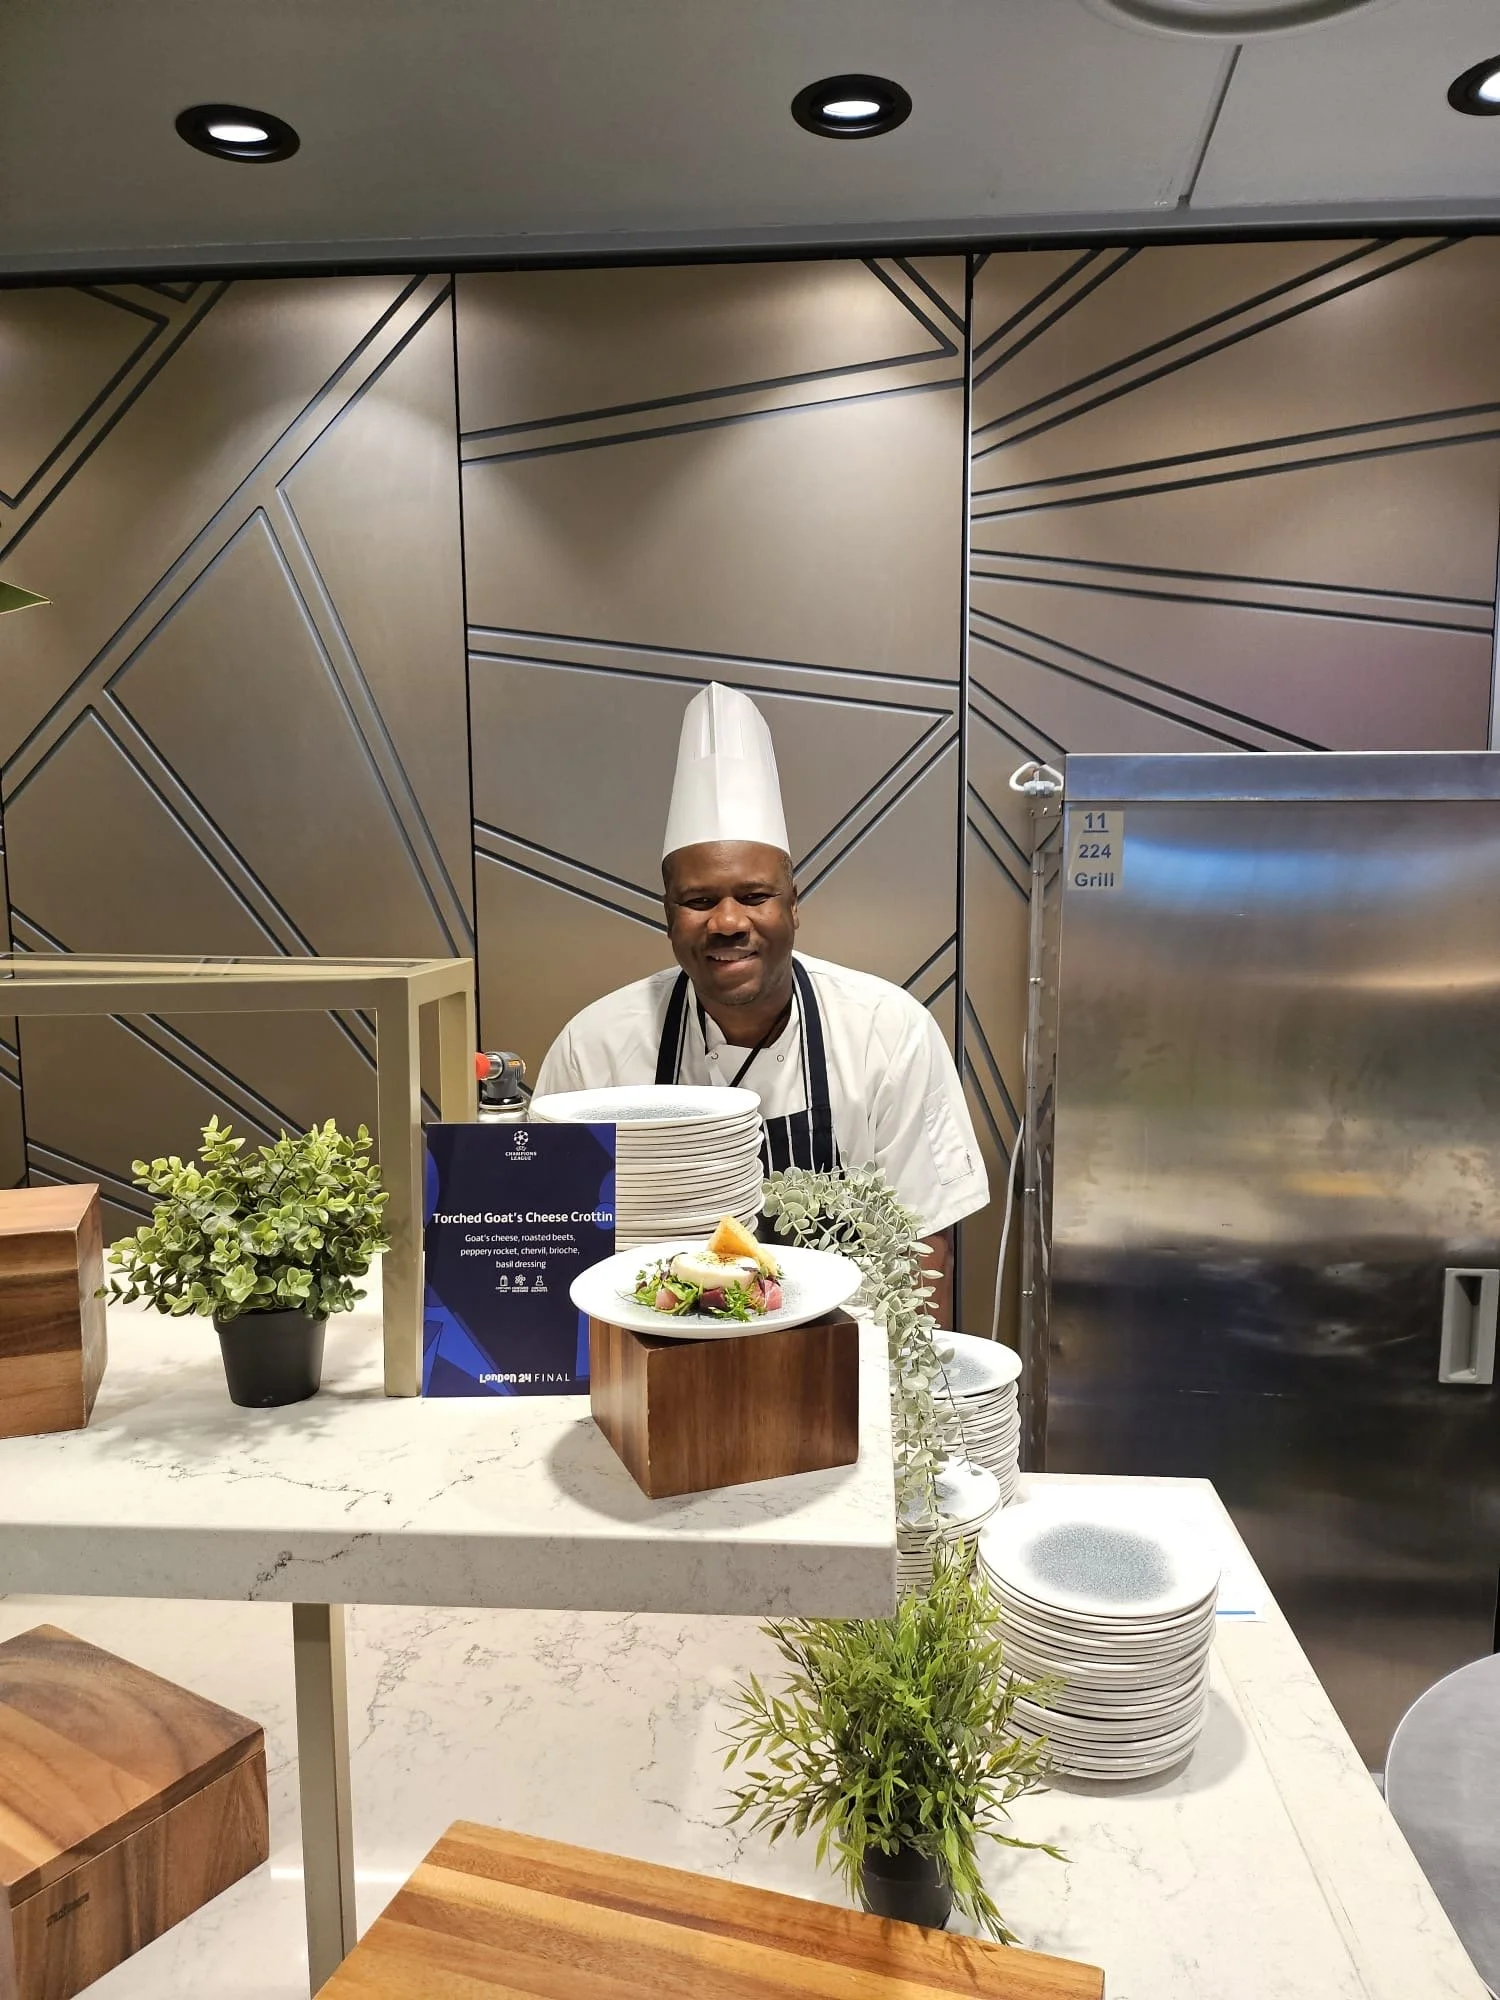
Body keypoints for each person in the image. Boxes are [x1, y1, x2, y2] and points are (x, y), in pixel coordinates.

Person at [534, 683, 989, 1323]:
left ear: (794, 906)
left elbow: (923, 1251)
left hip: (838, 1372)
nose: (726, 922)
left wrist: (895, 1410)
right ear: (668, 916)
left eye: (753, 896)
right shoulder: (595, 1048)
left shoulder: (888, 1033)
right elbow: (552, 1238)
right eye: (697, 902)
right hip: (649, 1374)